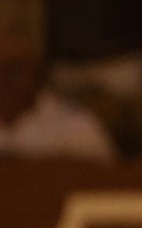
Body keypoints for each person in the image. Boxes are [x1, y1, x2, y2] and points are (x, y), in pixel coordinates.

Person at [0, 30, 115, 161]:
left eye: (13, 70)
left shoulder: (77, 126)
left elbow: (105, 178)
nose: (2, 79)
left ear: (37, 70)